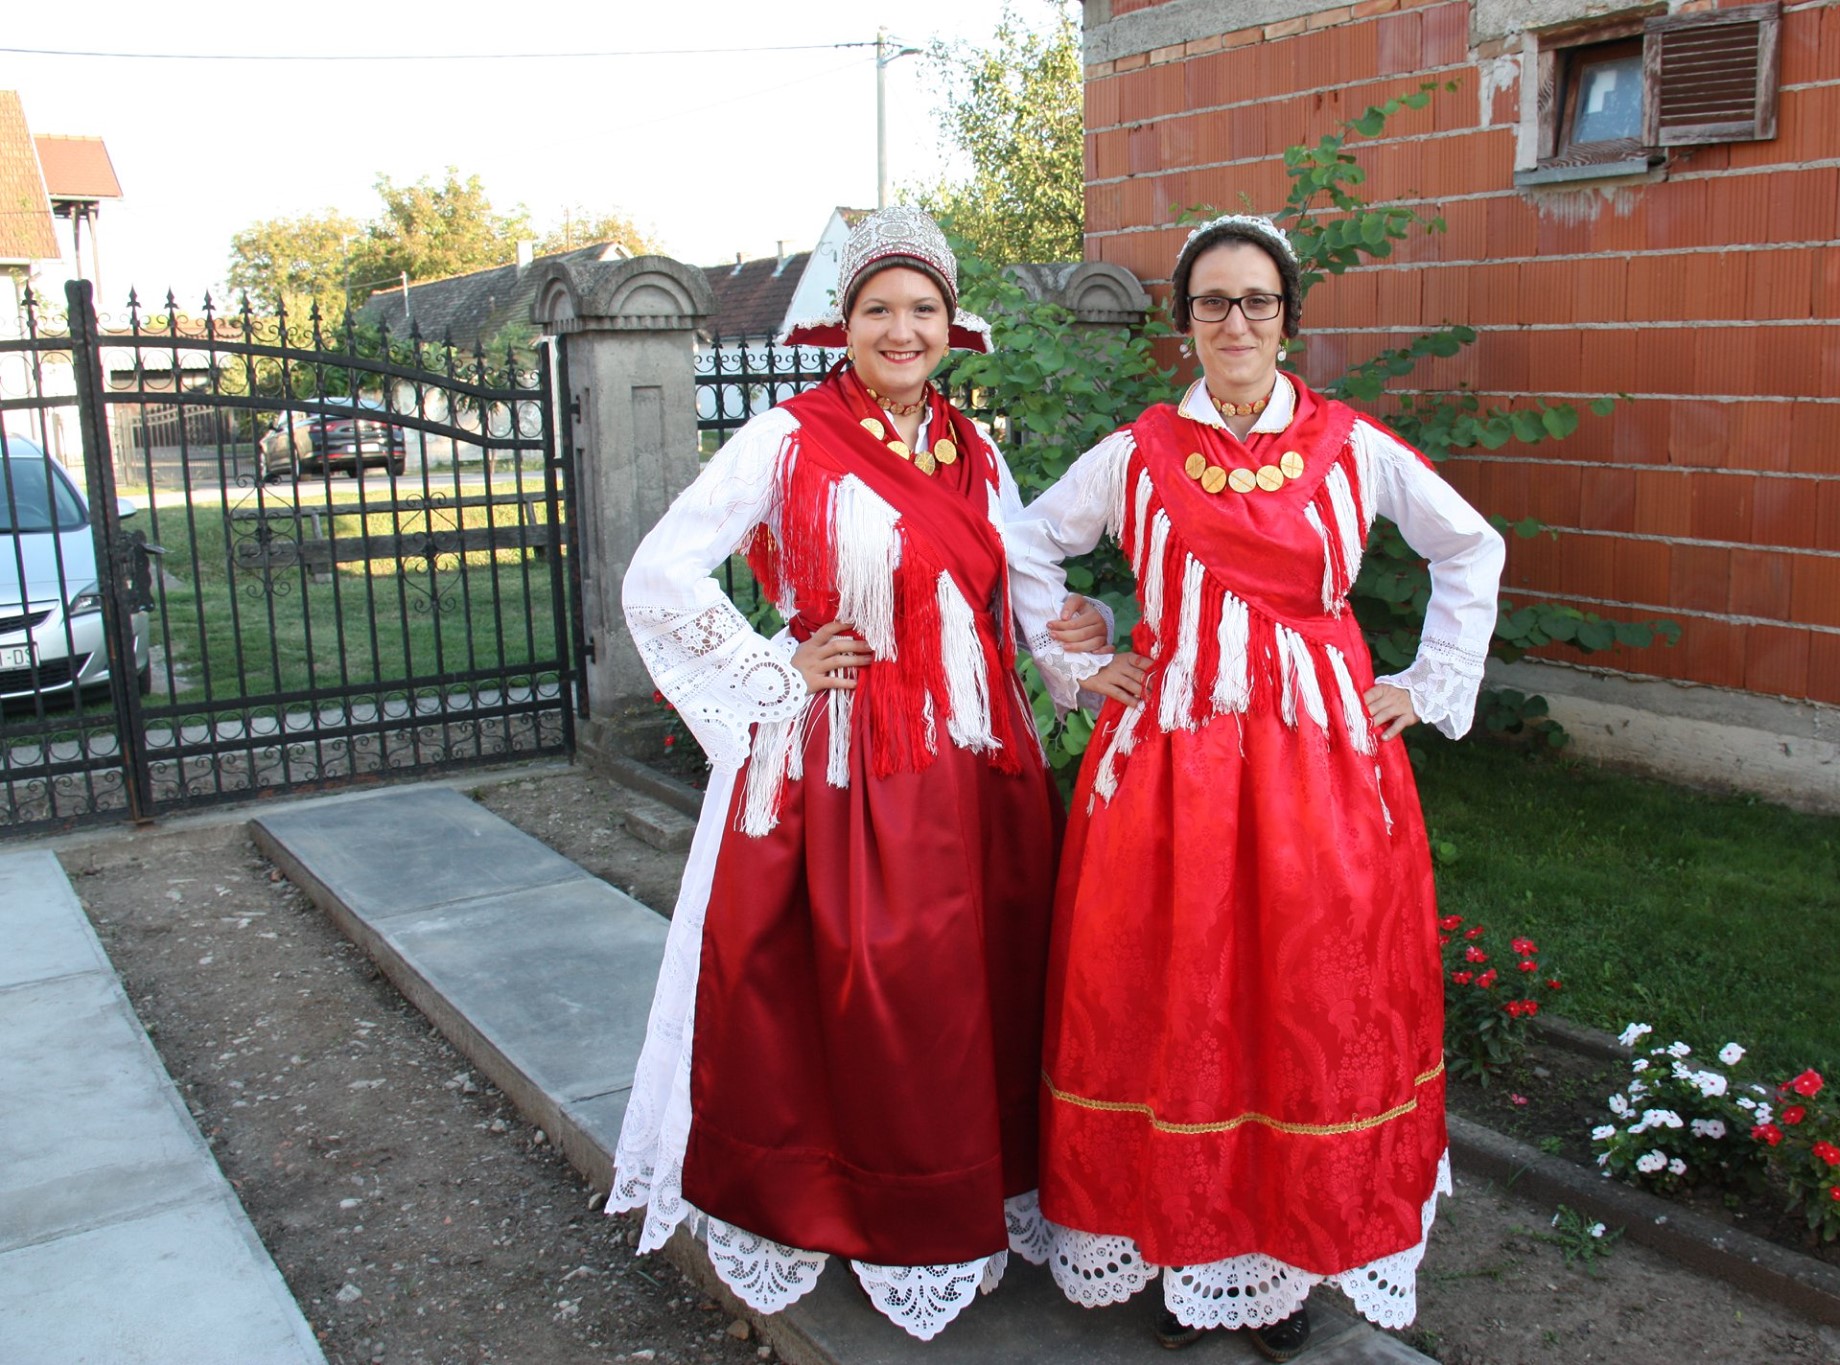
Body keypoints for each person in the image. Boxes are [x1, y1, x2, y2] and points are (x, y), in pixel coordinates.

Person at [1010, 214, 1505, 1362]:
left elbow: (1467, 548)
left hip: (1316, 772)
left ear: (1287, 319)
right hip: (1168, 768)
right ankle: (1174, 1246)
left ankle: (1284, 1261)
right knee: (1169, 997)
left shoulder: (1351, 446)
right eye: (1211, 302)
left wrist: (1426, 684)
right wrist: (1079, 658)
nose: (1233, 322)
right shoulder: (1134, 454)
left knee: (1304, 1002)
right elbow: (1025, 545)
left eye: (1256, 301)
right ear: (1183, 321)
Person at [604, 207, 1105, 1340]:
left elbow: (1025, 594)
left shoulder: (977, 456)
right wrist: (769, 666)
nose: (901, 329)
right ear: (843, 323)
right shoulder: (785, 440)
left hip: (977, 763)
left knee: (975, 989)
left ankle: (969, 1200)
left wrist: (1077, 644)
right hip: (844, 759)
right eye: (879, 308)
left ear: (951, 327)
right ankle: (849, 1202)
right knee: (864, 984)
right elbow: (662, 574)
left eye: (922, 308)